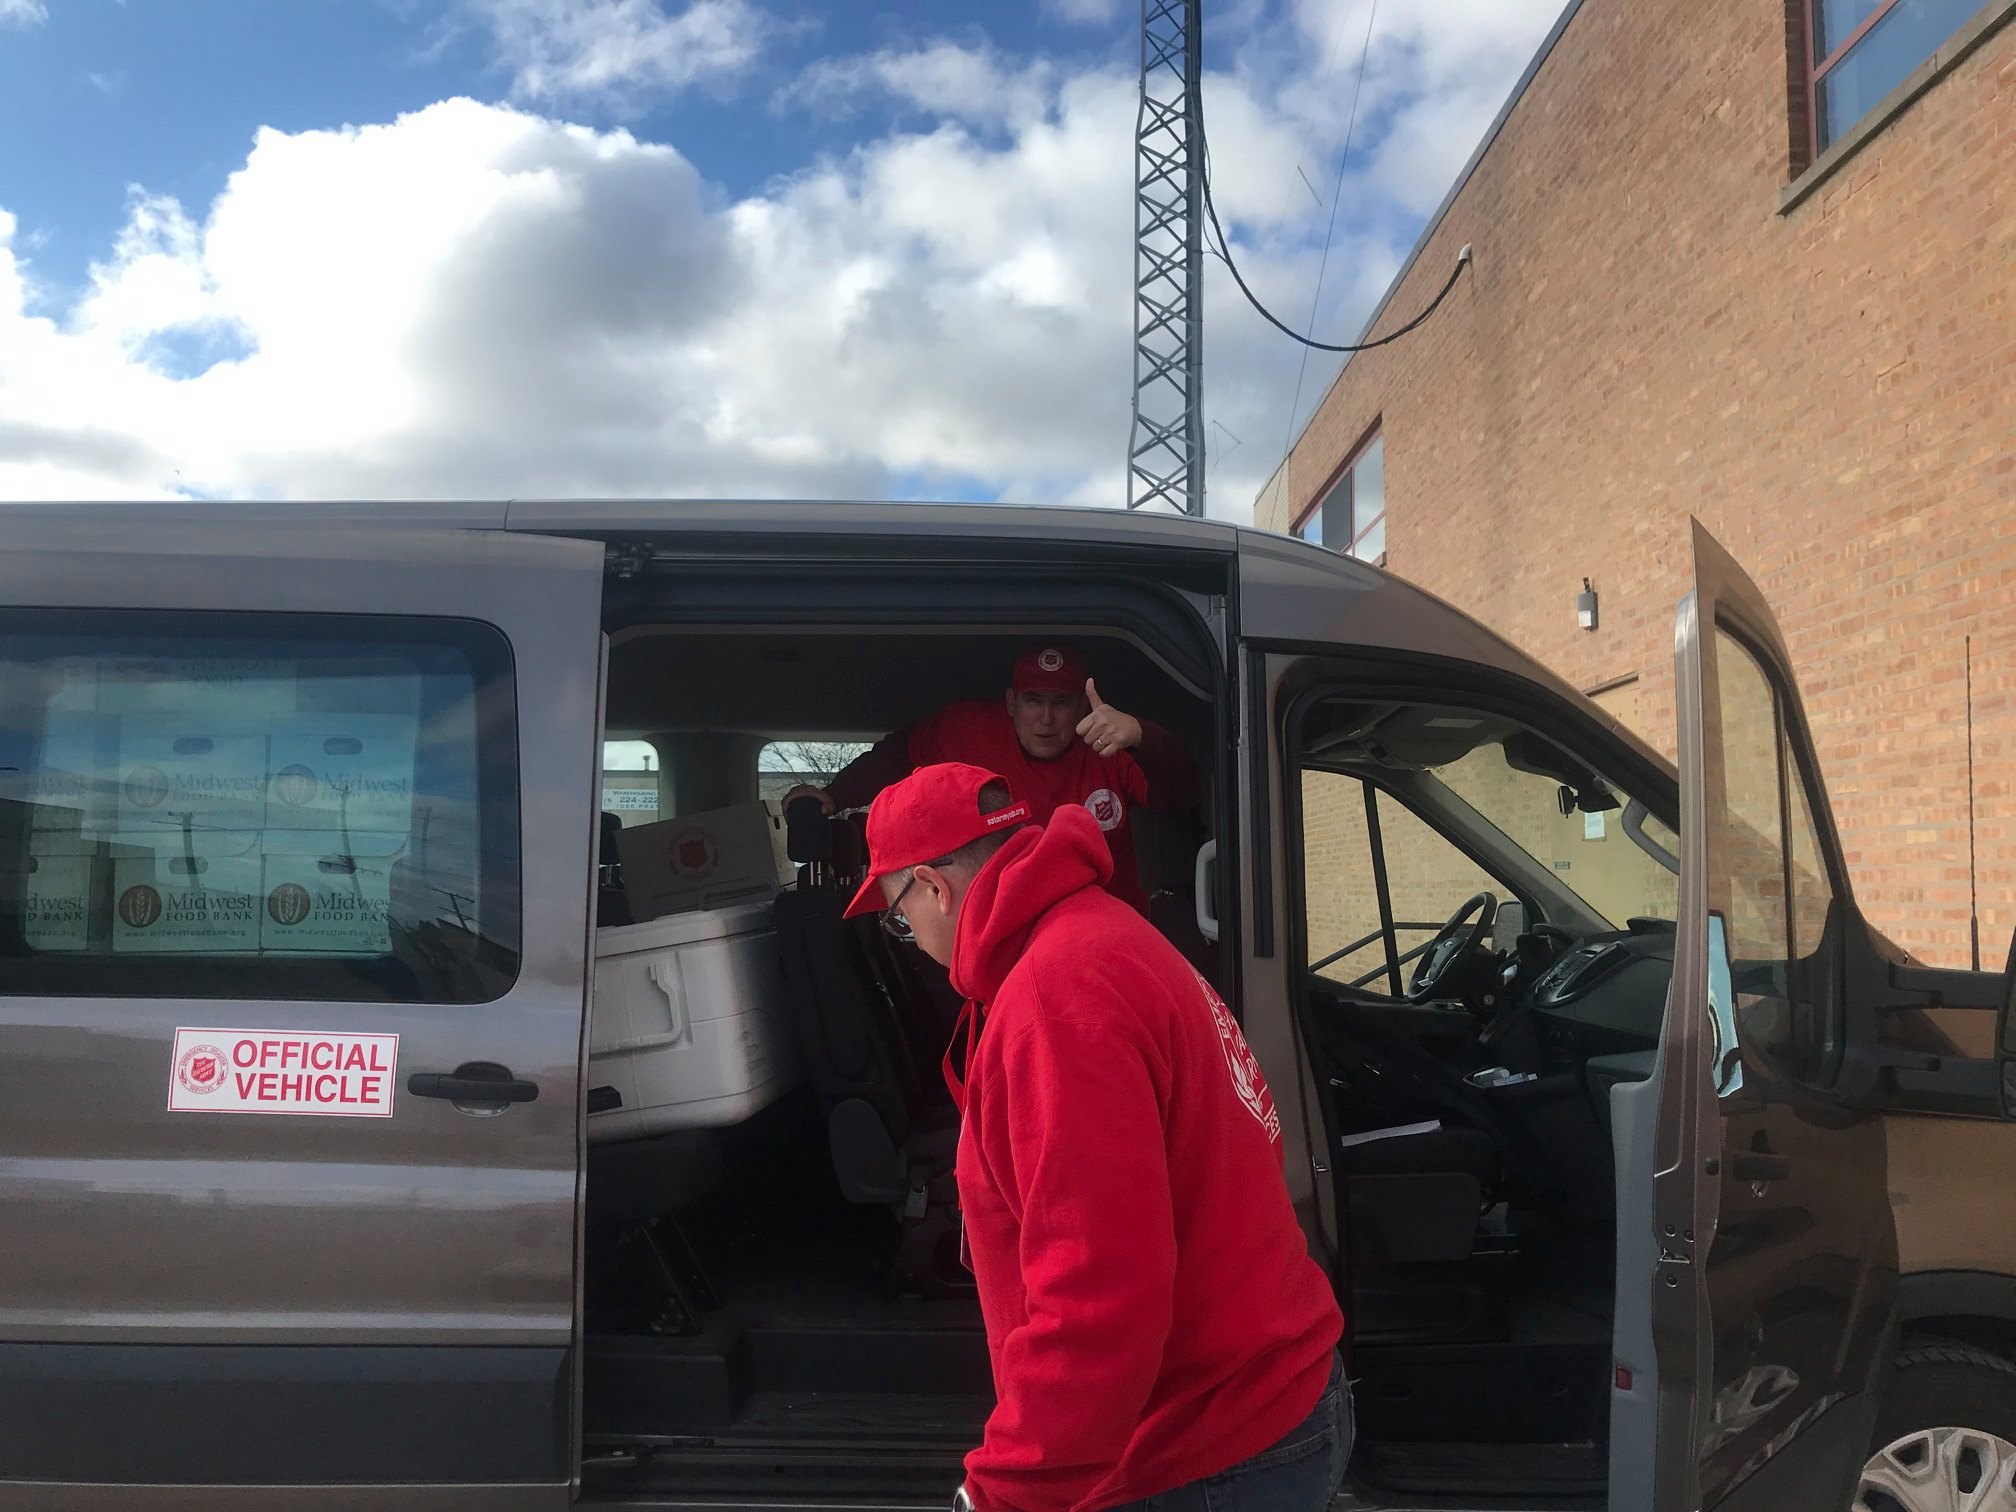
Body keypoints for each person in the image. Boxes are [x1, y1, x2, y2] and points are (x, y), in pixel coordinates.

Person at [842, 761, 1348, 1512]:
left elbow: (1099, 1302)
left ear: (933, 888)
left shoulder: (1055, 1002)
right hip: (1256, 1398)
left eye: (898, 918)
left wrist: (1006, 1495)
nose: (910, 939)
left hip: (1209, 1449)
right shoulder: (1097, 933)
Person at [786, 644, 1195, 915]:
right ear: (1011, 703)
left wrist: (1142, 735)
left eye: (1061, 702)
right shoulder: (970, 730)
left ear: (1081, 708)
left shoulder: (1109, 744)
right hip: (1007, 927)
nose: (1046, 719)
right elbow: (901, 753)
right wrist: (834, 794)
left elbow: (1179, 796)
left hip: (1106, 924)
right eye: (1034, 700)